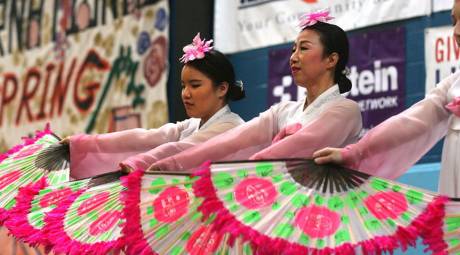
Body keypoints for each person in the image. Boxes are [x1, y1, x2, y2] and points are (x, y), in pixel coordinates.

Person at [149, 10, 362, 172]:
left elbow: (303, 144)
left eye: (304, 48)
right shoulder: (284, 111)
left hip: (331, 207)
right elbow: (233, 140)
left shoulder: (345, 109)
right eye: (293, 49)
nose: (294, 57)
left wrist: (250, 170)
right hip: (289, 202)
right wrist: (171, 164)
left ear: (331, 60)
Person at [313, 1, 460, 197]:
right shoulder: (453, 85)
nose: (456, 31)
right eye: (453, 22)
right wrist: (355, 153)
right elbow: (412, 122)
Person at [65, 33, 245, 179]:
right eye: (183, 86)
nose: (186, 94)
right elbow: (147, 138)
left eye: (195, 85)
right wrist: (83, 145)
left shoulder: (232, 127)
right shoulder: (192, 125)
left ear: (222, 89)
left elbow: (180, 149)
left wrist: (138, 163)